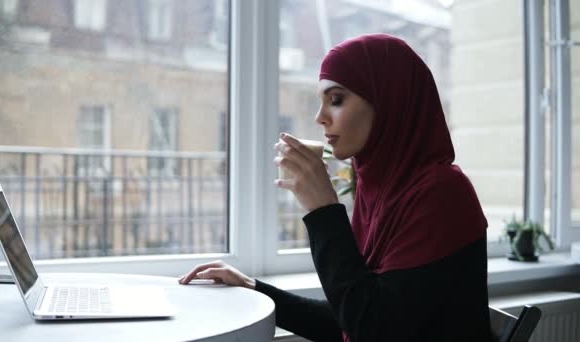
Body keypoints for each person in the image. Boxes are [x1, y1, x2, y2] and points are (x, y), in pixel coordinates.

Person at [180, 34, 492, 341]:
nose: (320, 118)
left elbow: (371, 329)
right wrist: (254, 288)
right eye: (321, 102)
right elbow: (350, 317)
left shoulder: (442, 195)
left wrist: (323, 210)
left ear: (388, 100)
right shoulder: (382, 191)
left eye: (337, 100)